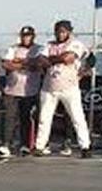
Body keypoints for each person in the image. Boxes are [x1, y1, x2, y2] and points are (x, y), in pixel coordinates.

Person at [34, 20, 91, 158]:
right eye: (58, 31)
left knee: (77, 117)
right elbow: (40, 60)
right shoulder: (49, 45)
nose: (60, 34)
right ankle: (39, 146)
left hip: (69, 87)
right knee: (44, 118)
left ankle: (85, 146)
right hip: (49, 88)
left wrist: (51, 59)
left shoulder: (75, 44)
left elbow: (69, 58)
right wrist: (54, 59)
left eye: (64, 31)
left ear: (69, 32)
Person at [0, 26, 43, 158]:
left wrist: (19, 62)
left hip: (30, 90)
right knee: (9, 118)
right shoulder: (13, 49)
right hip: (12, 90)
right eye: (23, 36)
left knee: (26, 118)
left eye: (28, 36)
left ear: (33, 36)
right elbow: (6, 65)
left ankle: (25, 145)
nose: (25, 38)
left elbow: (38, 64)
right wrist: (26, 65)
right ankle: (6, 144)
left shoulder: (38, 49)